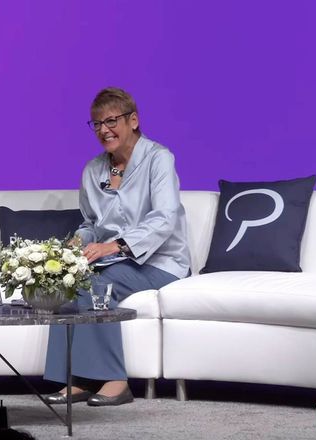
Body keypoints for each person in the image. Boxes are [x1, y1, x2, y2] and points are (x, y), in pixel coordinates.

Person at [43, 87, 191, 406]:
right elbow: (90, 224)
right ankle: (77, 379)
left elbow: (164, 218)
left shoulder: (158, 159)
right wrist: (77, 243)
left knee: (97, 285)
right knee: (68, 284)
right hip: (116, 262)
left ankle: (115, 381)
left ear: (133, 120)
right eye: (96, 124)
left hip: (161, 264)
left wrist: (113, 247)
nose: (104, 130)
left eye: (111, 121)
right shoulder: (93, 170)